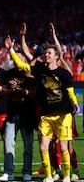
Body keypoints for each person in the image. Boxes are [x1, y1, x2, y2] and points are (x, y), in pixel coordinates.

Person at [6, 37, 80, 182]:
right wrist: (10, 50)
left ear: (57, 57)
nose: (46, 55)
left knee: (64, 148)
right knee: (43, 148)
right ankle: (48, 176)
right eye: (45, 53)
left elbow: (70, 91)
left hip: (63, 115)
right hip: (46, 116)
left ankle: (66, 176)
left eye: (49, 53)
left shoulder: (65, 74)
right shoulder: (39, 69)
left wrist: (75, 103)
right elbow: (22, 64)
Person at [0, 51, 37, 181]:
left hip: (27, 115)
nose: (16, 60)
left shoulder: (30, 74)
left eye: (19, 57)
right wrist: (11, 89)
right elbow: (3, 93)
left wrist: (17, 88)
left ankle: (27, 172)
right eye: (14, 57)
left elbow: (32, 94)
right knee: (8, 143)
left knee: (28, 145)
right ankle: (8, 172)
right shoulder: (8, 74)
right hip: (11, 114)